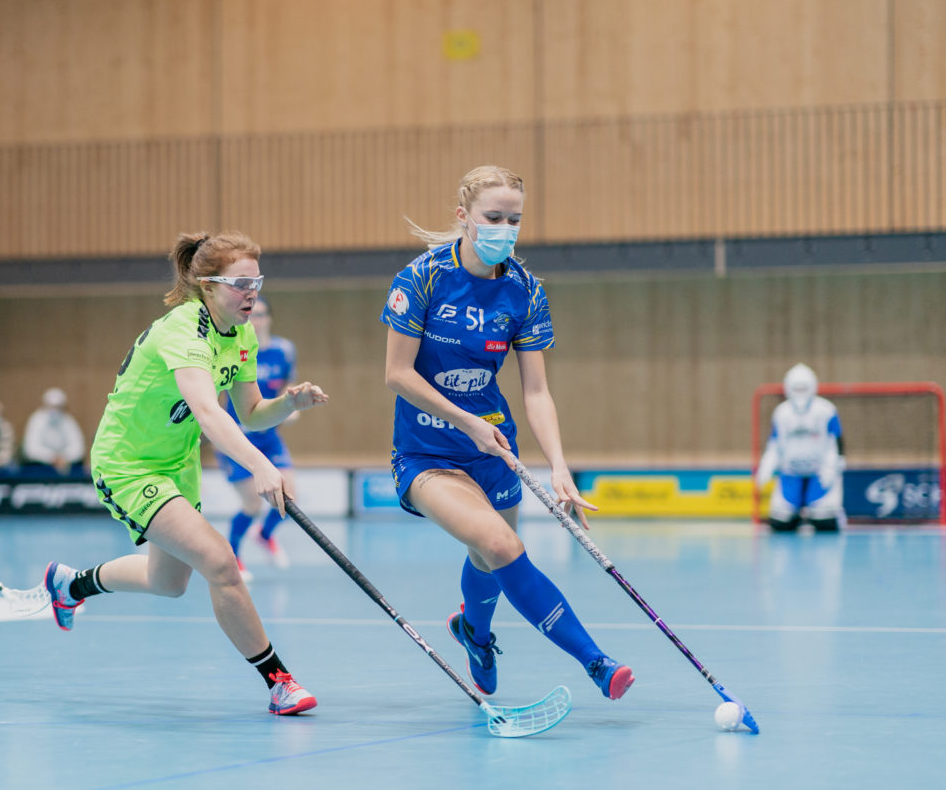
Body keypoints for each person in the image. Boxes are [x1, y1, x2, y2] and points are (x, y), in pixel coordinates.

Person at [42, 231, 328, 715]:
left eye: (256, 280)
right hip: (128, 463)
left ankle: (71, 584)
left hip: (177, 464)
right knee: (220, 562)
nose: (252, 292)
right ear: (207, 285)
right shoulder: (183, 328)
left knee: (168, 582)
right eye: (241, 283)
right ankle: (279, 682)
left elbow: (251, 412)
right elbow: (209, 414)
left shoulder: (241, 333)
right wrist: (262, 465)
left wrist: (289, 403)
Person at [381, 165, 633, 702]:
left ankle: (475, 632)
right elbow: (397, 375)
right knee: (500, 542)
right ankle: (596, 662)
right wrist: (467, 422)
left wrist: (559, 467)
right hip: (428, 454)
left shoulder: (525, 290)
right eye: (493, 217)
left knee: (487, 559)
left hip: (494, 449)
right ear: (463, 217)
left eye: (514, 219)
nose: (504, 228)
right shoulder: (422, 278)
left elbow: (536, 391)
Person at [220, 297, 297, 580]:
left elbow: (288, 384)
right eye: (253, 315)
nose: (257, 320)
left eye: (262, 315)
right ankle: (234, 556)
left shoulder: (284, 350)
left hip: (269, 437)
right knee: (252, 505)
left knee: (289, 498)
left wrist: (291, 405)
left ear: (270, 319)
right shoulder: (233, 350)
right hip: (238, 440)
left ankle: (264, 536)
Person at [756, 363, 846, 532]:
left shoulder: (826, 410)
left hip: (820, 474)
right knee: (780, 523)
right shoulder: (781, 413)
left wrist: (833, 467)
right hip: (790, 474)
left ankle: (829, 514)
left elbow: (835, 443)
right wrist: (765, 469)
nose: (800, 393)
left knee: (824, 521)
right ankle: (795, 515)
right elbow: (774, 445)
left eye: (803, 388)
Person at [21, 387, 85, 475]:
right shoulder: (36, 420)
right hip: (40, 468)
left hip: (65, 465)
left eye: (58, 407)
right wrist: (52, 458)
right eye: (51, 406)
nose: (54, 410)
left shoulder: (68, 421)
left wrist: (63, 458)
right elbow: (31, 450)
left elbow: (78, 449)